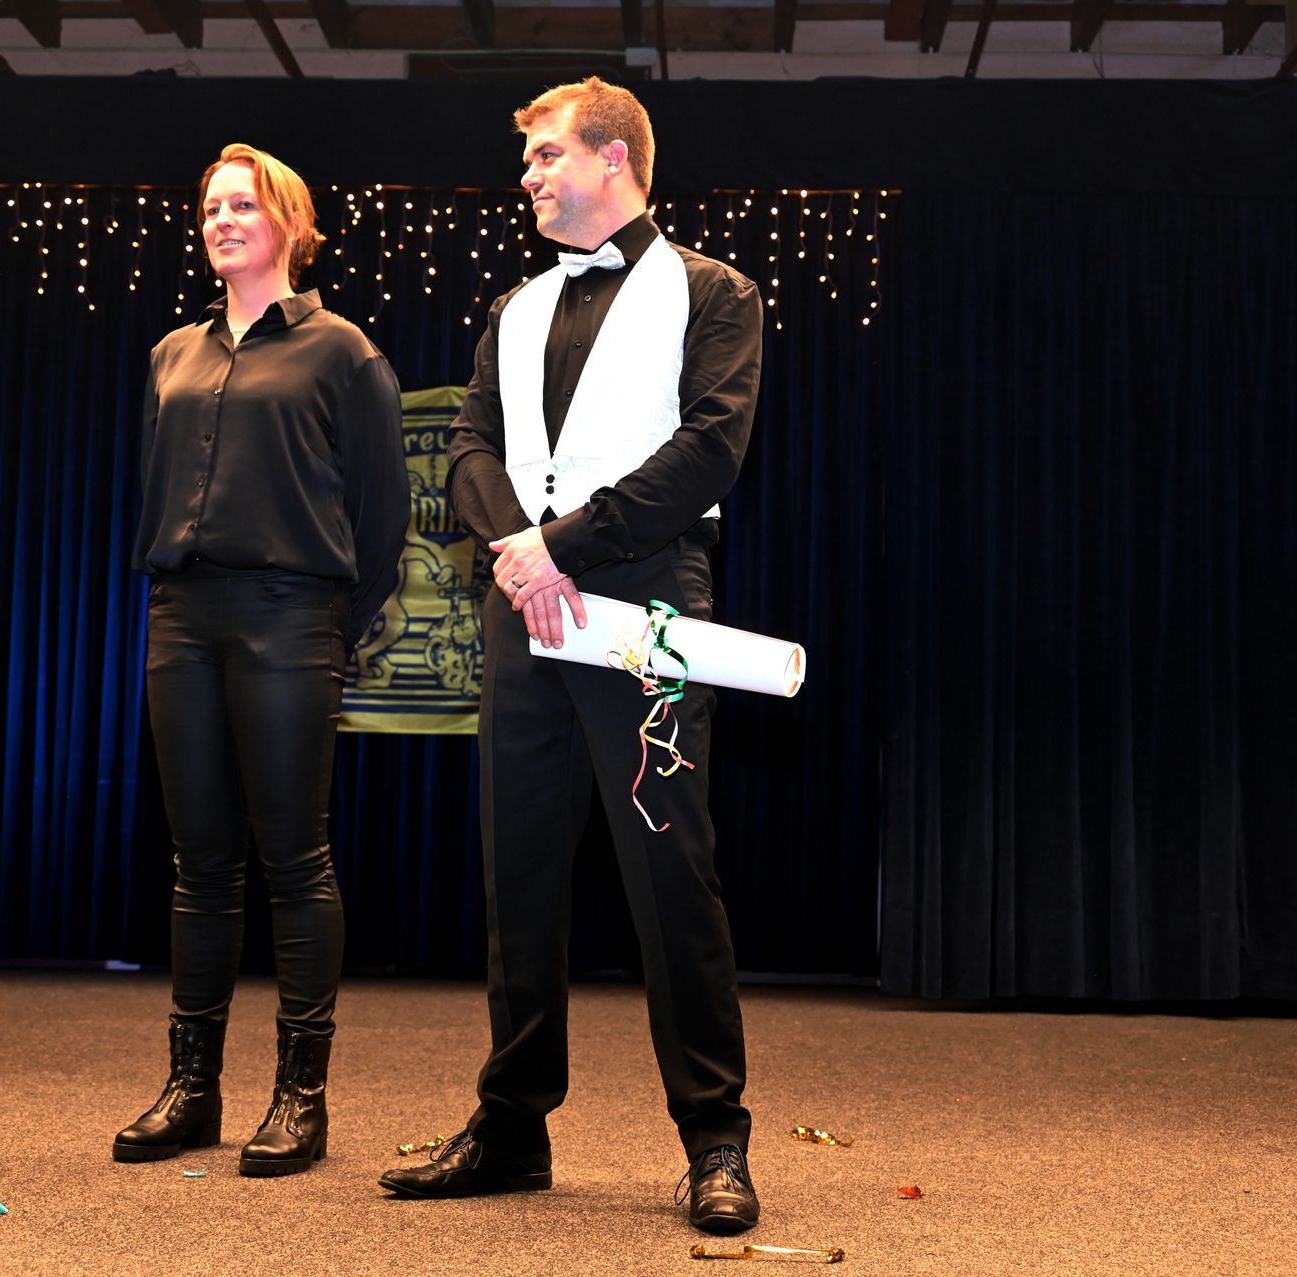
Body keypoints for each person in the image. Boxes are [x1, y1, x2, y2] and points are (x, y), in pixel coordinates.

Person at [376, 78, 765, 1234]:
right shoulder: (516, 305)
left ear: (614, 157)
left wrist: (565, 545)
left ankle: (714, 1136)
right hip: (524, 601)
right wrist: (519, 548)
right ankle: (513, 1125)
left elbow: (711, 448)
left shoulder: (712, 290)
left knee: (669, 868)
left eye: (547, 154)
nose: (531, 174)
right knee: (522, 870)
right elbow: (470, 442)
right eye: (530, 159)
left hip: (644, 601)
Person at [114, 143, 409, 1177]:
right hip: (182, 613)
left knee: (294, 858)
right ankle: (192, 1088)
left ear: (287, 222)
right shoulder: (173, 353)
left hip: (291, 616)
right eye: (211, 208)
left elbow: (383, 517)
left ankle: (301, 1095)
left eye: (242, 205)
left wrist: (330, 622)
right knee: (199, 861)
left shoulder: (342, 351)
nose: (222, 221)